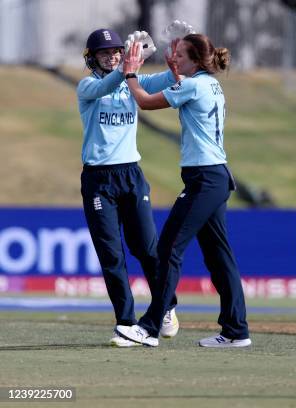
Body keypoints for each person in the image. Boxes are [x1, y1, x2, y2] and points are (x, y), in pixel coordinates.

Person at [116, 34, 250, 348]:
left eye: (181, 56)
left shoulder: (193, 85)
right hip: (215, 177)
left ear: (195, 60)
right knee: (219, 257)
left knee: (168, 249)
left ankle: (148, 328)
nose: (176, 59)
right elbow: (182, 86)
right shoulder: (208, 83)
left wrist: (130, 73)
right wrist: (172, 69)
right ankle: (236, 331)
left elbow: (146, 102)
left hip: (205, 179)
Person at [77, 28, 180, 347]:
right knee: (111, 255)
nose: (112, 56)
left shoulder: (132, 81)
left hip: (131, 175)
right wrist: (128, 68)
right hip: (98, 179)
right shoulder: (88, 86)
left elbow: (167, 81)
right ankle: (126, 321)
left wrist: (176, 62)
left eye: (117, 51)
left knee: (148, 248)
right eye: (104, 53)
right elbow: (109, 83)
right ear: (92, 58)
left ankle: (166, 307)